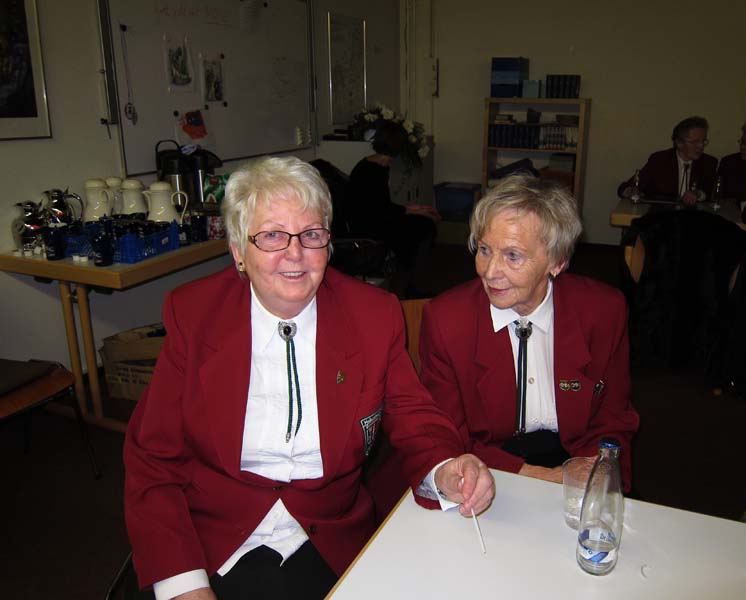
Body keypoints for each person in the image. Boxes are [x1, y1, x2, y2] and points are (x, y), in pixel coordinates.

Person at [123, 156, 495, 600]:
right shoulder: (195, 314)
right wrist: (184, 584)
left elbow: (413, 414)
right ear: (239, 251)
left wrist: (446, 467)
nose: (295, 253)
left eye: (311, 234)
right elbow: (153, 458)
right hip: (213, 537)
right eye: (272, 236)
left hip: (329, 536)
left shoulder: (372, 315)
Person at [417, 175, 639, 490]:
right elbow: (446, 436)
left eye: (513, 256)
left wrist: (598, 471)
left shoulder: (603, 310)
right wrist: (544, 478)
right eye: (484, 249)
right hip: (487, 465)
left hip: (577, 457)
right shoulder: (447, 320)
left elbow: (613, 419)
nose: (490, 271)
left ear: (557, 262)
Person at [348, 119, 440, 295]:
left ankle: (411, 281)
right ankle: (411, 285)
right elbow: (379, 211)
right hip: (367, 226)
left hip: (377, 219)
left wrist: (414, 209)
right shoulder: (370, 171)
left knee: (424, 226)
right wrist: (413, 210)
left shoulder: (375, 165)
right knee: (423, 229)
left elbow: (381, 206)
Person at [618, 116, 718, 205]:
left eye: (703, 141)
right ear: (679, 143)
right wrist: (631, 191)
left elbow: (714, 192)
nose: (701, 146)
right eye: (695, 142)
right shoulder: (660, 160)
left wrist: (698, 194)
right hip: (663, 216)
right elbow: (627, 187)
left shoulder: (709, 163)